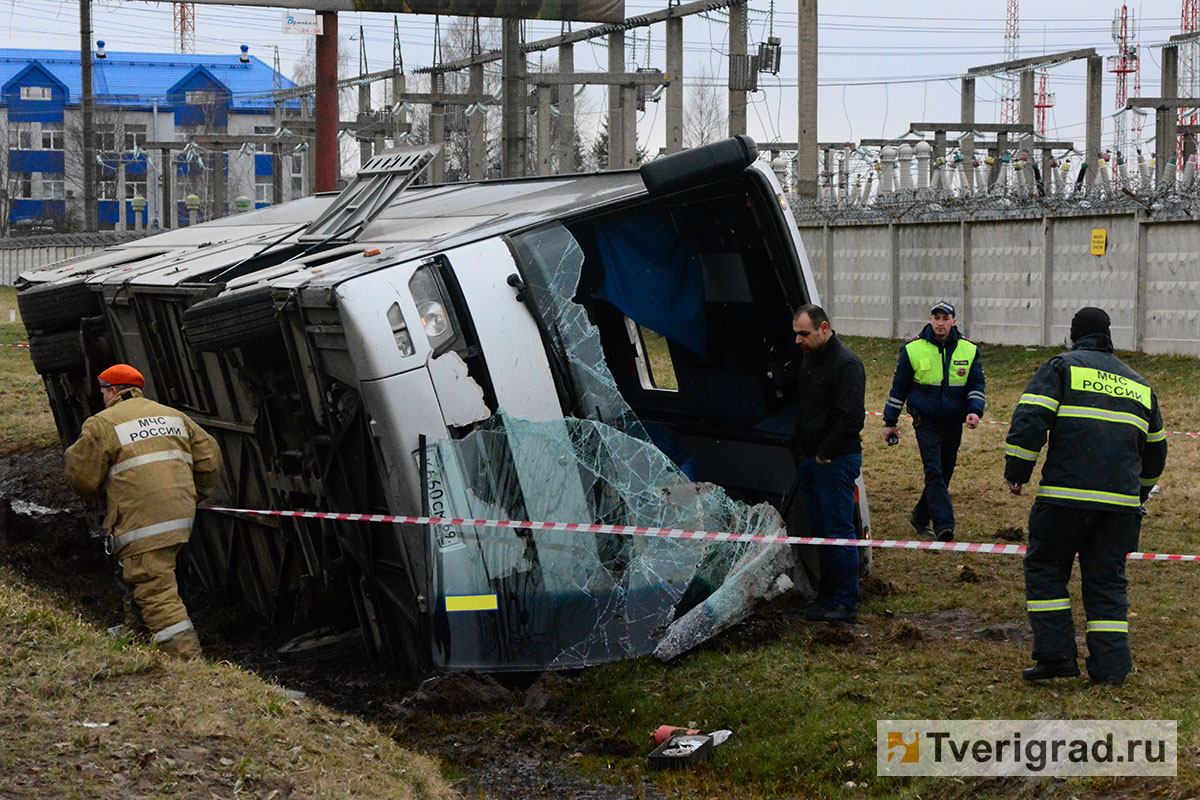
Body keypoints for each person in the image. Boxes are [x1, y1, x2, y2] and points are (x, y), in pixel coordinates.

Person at [1004, 308, 1166, 687]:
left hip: (1065, 499)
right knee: (1107, 582)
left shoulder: (1062, 367)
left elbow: (1031, 419)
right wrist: (1136, 493)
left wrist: (1017, 472)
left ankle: (1056, 656)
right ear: (1109, 336)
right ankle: (1111, 670)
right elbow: (1156, 452)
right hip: (1121, 508)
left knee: (1046, 569)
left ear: (1072, 337)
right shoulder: (1139, 384)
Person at [65, 364, 221, 659]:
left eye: (102, 391)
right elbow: (210, 458)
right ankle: (135, 636)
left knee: (155, 592)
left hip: (144, 524)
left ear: (111, 390)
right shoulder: (173, 416)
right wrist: (193, 495)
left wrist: (100, 493)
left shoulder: (102, 423)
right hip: (181, 516)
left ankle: (188, 663)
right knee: (133, 573)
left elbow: (82, 478)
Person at [882, 301, 985, 542]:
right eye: (936, 318)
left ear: (953, 322)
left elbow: (976, 385)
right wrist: (890, 421)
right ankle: (944, 526)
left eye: (945, 318)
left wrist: (975, 410)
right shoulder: (912, 349)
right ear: (931, 321)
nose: (940, 322)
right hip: (925, 420)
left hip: (953, 421)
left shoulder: (969, 350)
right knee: (934, 472)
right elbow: (899, 387)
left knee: (945, 472)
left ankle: (920, 516)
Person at [789, 304, 866, 624]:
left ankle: (845, 603)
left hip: (834, 461)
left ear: (823, 328)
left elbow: (852, 418)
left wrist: (824, 454)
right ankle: (827, 597)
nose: (798, 341)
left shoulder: (847, 365)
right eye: (795, 334)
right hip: (812, 459)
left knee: (838, 534)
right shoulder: (809, 361)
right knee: (821, 534)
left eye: (803, 334)